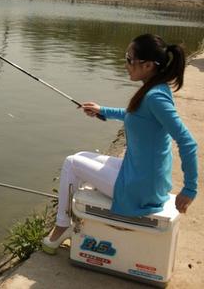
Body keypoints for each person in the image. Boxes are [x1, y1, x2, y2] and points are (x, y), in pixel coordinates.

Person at [42, 34, 198, 254]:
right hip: (143, 177)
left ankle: (61, 227)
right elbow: (135, 116)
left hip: (140, 189)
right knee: (83, 156)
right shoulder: (155, 89)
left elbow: (187, 142)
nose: (125, 63)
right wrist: (102, 111)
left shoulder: (155, 97)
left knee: (71, 163)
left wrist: (190, 189)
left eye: (128, 59)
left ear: (147, 65)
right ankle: (73, 218)